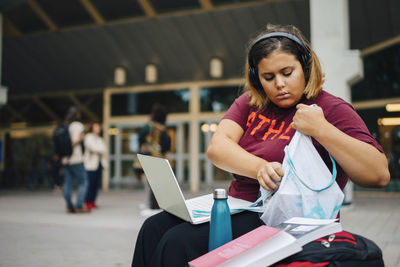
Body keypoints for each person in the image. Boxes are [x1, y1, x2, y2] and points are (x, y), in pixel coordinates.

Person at [131, 24, 390, 266]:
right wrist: (260, 168)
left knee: (178, 242)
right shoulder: (250, 103)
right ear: (256, 78)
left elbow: (377, 175)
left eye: (287, 73)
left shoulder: (330, 108)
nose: (279, 84)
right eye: (268, 77)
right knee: (153, 228)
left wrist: (322, 129)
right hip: (240, 206)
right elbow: (218, 147)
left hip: (288, 220)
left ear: (307, 67)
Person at [134, 104, 171, 213]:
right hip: (159, 158)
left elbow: (140, 137)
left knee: (153, 183)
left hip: (151, 158)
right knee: (156, 183)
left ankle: (154, 206)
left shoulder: (150, 127)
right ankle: (154, 205)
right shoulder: (162, 129)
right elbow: (166, 146)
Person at [62, 106, 89, 213]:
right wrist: (82, 137)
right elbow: (75, 140)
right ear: (78, 115)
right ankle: (79, 205)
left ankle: (69, 206)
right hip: (76, 158)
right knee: (83, 182)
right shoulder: (77, 125)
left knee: (68, 183)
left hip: (65, 159)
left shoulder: (65, 125)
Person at [84, 122, 108, 211]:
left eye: (98, 126)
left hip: (99, 164)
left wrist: (100, 150)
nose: (98, 128)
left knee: (96, 185)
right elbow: (93, 148)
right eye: (96, 127)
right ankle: (88, 202)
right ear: (92, 128)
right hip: (90, 165)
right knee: (90, 184)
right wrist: (100, 149)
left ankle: (93, 201)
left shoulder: (100, 139)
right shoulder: (88, 137)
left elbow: (104, 150)